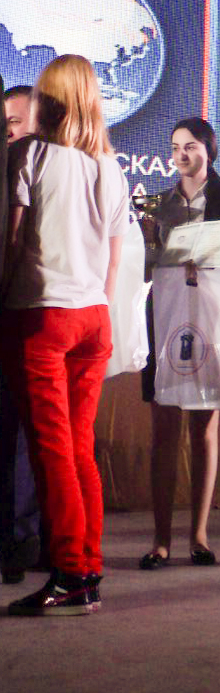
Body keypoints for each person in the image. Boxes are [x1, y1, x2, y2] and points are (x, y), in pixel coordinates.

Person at [0, 55, 129, 615]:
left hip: (42, 314)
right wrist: (94, 306)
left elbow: (12, 243)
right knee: (78, 450)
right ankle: (88, 571)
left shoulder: (30, 154)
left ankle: (71, 573)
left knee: (52, 452)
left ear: (45, 101)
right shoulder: (110, 165)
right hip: (93, 317)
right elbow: (114, 261)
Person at [139, 117, 220, 571]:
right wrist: (148, 244)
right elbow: (146, 270)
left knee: (204, 430)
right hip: (164, 317)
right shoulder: (158, 204)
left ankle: (199, 536)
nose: (181, 154)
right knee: (164, 431)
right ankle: (160, 540)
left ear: (209, 151)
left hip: (208, 317)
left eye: (191, 146)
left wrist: (209, 252)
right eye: (176, 147)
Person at [0, 85, 42, 585]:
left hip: (28, 310)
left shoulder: (31, 161)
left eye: (14, 120)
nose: (8, 130)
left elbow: (14, 241)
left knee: (21, 435)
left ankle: (22, 540)